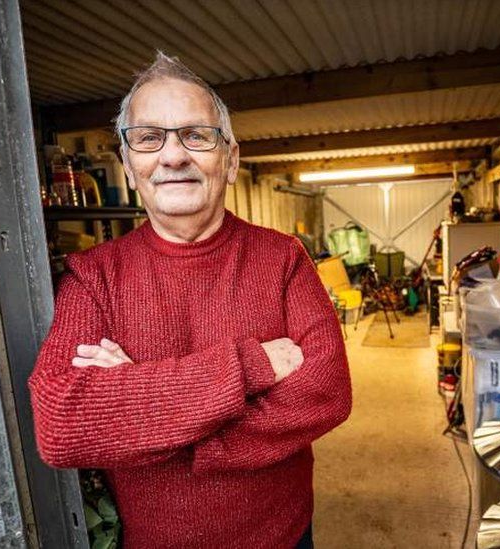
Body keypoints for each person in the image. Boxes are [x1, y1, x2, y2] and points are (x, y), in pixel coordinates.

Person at [29, 52, 352, 548]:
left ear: (231, 159)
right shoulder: (95, 276)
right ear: (129, 165)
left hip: (283, 535)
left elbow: (327, 392)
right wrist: (249, 366)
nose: (173, 156)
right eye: (149, 138)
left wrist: (144, 407)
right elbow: (61, 425)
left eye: (196, 135)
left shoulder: (282, 257)